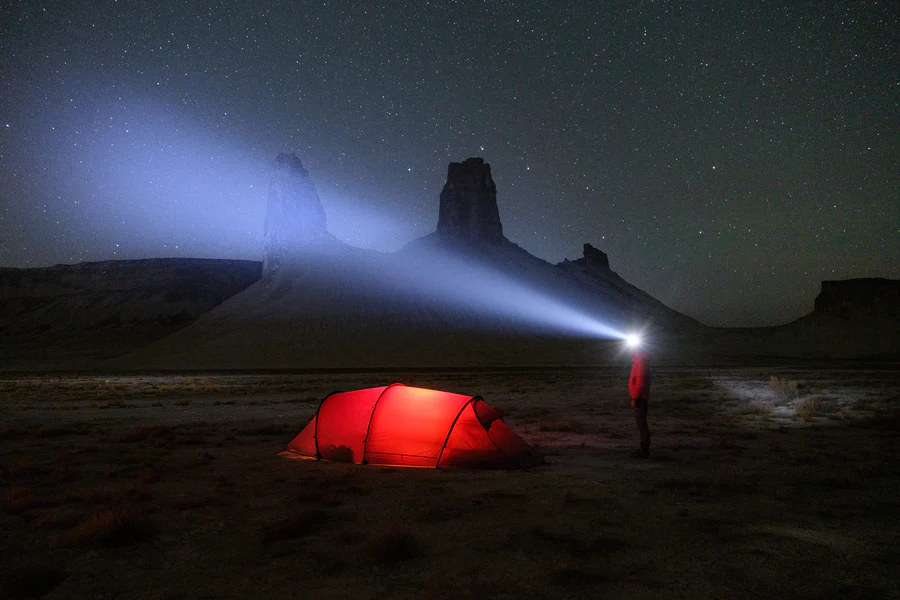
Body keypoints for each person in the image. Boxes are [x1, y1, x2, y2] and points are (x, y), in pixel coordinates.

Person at [629, 351, 652, 458]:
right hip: (641, 397)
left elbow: (640, 383)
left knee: (641, 423)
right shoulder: (639, 362)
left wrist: (634, 397)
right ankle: (644, 447)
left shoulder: (640, 363)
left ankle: (644, 449)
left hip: (640, 398)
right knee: (641, 423)